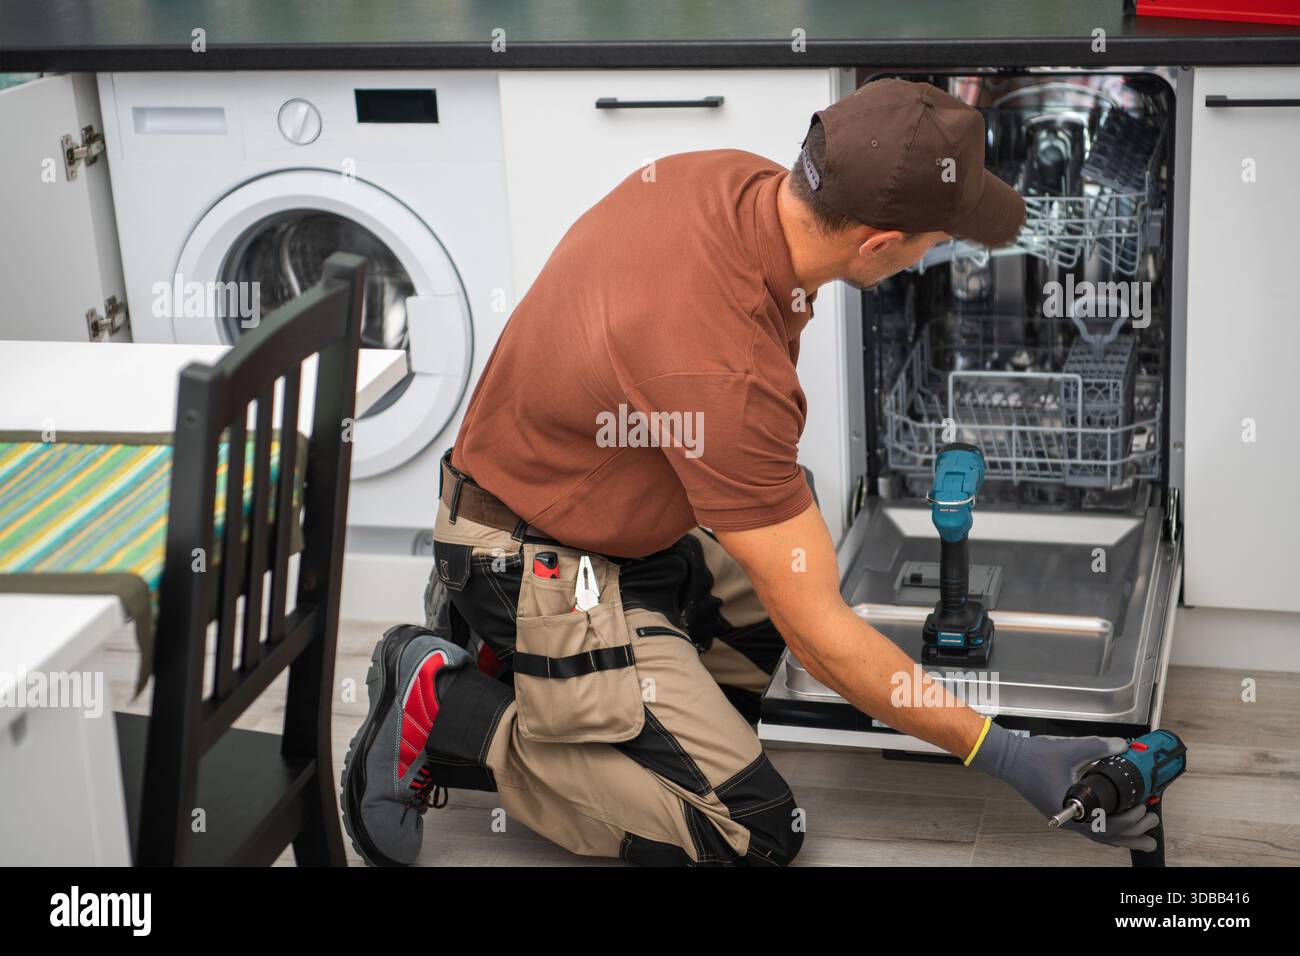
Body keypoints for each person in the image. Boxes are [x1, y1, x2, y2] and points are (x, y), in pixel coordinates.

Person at [340, 78, 1159, 867]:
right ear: (877, 244)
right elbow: (823, 635)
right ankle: (451, 711)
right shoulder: (724, 373)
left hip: (594, 516)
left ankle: (573, 696)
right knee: (752, 832)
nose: (934, 255)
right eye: (934, 242)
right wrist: (1006, 752)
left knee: (765, 608)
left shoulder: (734, 180)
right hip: (533, 559)